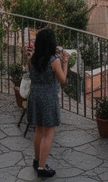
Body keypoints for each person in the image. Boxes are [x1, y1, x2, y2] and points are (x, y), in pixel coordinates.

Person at [26, 29, 70, 178]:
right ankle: (42, 168)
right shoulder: (54, 61)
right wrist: (65, 62)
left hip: (35, 95)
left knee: (39, 129)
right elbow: (62, 80)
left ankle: (37, 160)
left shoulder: (32, 58)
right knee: (48, 133)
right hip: (48, 97)